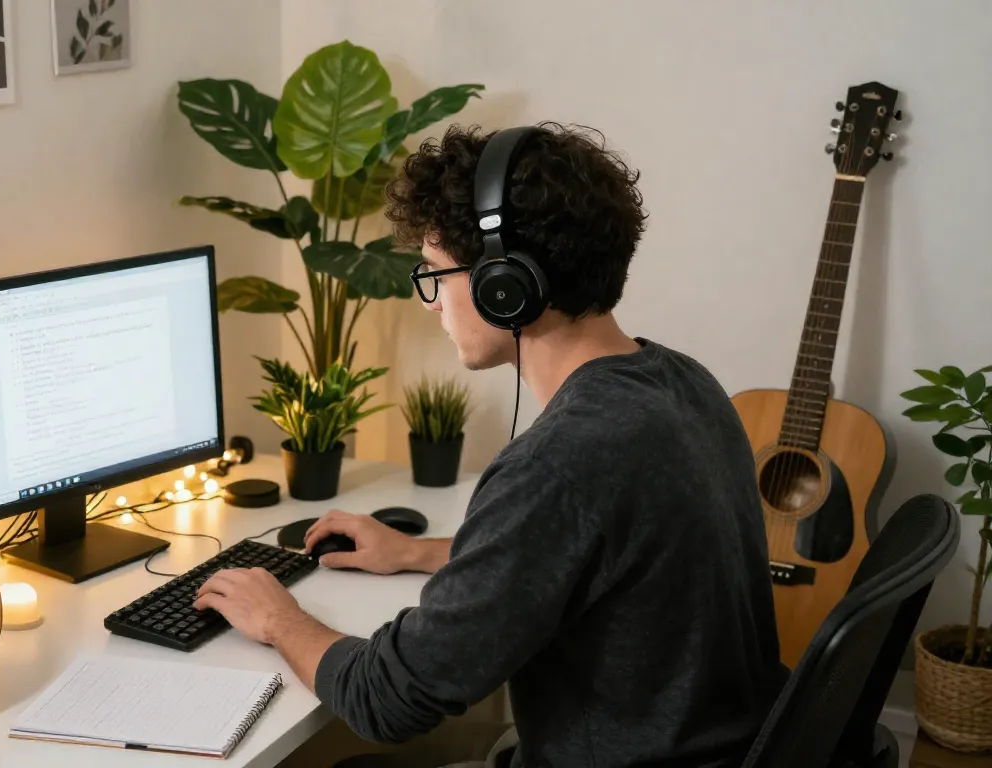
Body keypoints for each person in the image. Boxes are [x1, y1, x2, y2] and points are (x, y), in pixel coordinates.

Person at [194, 122, 787, 767]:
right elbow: (593, 554)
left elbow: (386, 700)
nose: (430, 303)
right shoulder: (681, 380)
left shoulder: (561, 461)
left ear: (505, 285)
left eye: (435, 275)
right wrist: (419, 552)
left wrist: (279, 618)